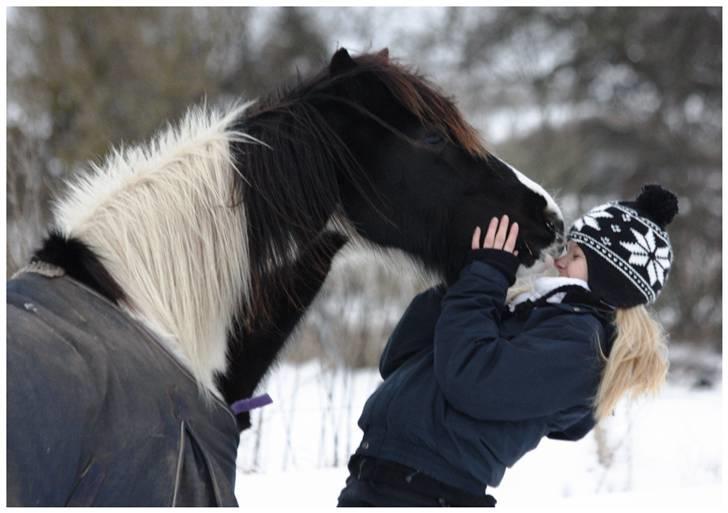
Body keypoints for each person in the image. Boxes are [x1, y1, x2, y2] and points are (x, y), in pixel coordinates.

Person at [337, 184, 678, 507]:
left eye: (575, 256)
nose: (559, 260)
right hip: (377, 477)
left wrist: (485, 279)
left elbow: (471, 379)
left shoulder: (580, 347)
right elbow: (400, 360)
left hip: (428, 492)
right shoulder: (524, 311)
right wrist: (464, 274)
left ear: (607, 280)